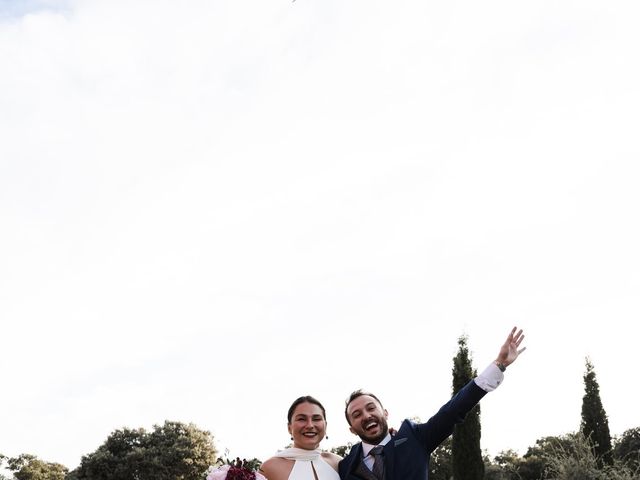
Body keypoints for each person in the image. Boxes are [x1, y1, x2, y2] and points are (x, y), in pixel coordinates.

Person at [338, 327, 526, 480]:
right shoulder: (345, 466)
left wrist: (499, 365)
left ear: (385, 413)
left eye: (371, 408)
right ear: (352, 429)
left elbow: (453, 410)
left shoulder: (415, 438)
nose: (366, 415)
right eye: (357, 415)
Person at [260, 395, 342, 480]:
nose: (310, 425)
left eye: (316, 419)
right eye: (301, 419)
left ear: (325, 426)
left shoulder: (338, 463)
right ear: (289, 428)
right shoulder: (270, 468)